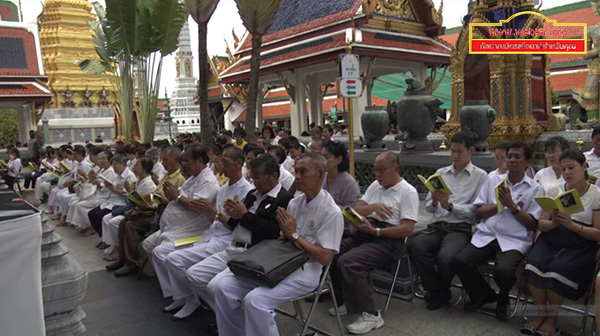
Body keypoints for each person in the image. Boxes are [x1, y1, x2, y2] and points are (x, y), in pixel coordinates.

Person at [208, 153, 343, 336]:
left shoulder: (331, 212)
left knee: (255, 301)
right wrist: (288, 236)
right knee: (220, 287)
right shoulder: (295, 203)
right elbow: (281, 239)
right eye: (296, 171)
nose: (297, 176)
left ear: (320, 174)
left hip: (307, 271)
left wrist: (294, 235)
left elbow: (326, 258)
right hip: (281, 261)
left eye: (303, 172)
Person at [184, 154, 292, 328]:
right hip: (233, 246)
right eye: (253, 177)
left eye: (259, 177)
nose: (255, 182)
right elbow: (238, 224)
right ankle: (230, 316)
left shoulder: (283, 199)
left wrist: (244, 215)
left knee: (217, 287)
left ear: (274, 176)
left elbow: (272, 232)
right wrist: (230, 215)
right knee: (195, 275)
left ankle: (233, 323)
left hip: (255, 253)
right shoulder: (252, 194)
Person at [156, 145, 253, 320]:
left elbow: (237, 226)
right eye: (220, 160)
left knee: (178, 261)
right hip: (208, 235)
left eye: (225, 161)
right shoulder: (223, 190)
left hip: (226, 241)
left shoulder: (246, 191)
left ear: (239, 163)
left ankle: (216, 310)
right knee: (170, 257)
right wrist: (211, 213)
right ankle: (189, 298)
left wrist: (212, 212)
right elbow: (212, 218)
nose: (220, 164)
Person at [329, 151, 419, 335]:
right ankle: (348, 300)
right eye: (375, 170)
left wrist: (376, 231)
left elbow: (407, 229)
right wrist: (373, 208)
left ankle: (371, 314)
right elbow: (356, 209)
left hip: (389, 240)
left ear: (395, 169)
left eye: (381, 171)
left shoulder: (407, 192)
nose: (377, 175)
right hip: (365, 232)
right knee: (332, 252)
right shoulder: (376, 186)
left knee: (349, 262)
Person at [453, 141, 544, 320]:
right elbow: (478, 211)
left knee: (504, 270)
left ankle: (503, 298)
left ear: (527, 161)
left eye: (517, 157)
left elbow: (534, 224)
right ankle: (483, 295)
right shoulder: (493, 180)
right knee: (460, 261)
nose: (511, 160)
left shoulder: (535, 188)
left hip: (514, 239)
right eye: (509, 156)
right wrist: (498, 206)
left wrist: (513, 206)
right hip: (487, 235)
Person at [522, 149, 600, 336]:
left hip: (581, 242)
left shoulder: (596, 194)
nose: (566, 173)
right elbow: (542, 222)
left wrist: (573, 225)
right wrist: (554, 222)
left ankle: (552, 318)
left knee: (558, 269)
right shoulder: (555, 190)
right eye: (563, 168)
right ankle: (541, 312)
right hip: (553, 236)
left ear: (584, 167)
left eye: (571, 168)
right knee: (533, 264)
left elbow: (598, 233)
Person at [408, 133, 488, 311]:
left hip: (460, 228)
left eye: (460, 151)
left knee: (446, 258)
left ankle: (439, 291)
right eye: (453, 151)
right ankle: (438, 290)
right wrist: (436, 200)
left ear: (471, 151)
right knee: (415, 245)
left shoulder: (481, 177)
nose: (455, 156)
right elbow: (428, 207)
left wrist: (450, 206)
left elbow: (476, 212)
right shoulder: (441, 173)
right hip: (438, 225)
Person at [105, 147, 186, 275]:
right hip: (153, 209)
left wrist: (141, 196)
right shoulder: (166, 176)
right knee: (123, 223)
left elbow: (172, 200)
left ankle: (132, 262)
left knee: (131, 225)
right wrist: (147, 198)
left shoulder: (180, 179)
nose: (163, 163)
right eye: (162, 160)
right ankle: (123, 258)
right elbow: (156, 195)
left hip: (160, 213)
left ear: (176, 160)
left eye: (166, 160)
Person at [145, 144, 220, 280]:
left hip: (192, 231)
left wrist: (176, 197)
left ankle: (183, 290)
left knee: (160, 251)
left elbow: (196, 205)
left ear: (199, 161)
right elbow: (177, 196)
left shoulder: (208, 181)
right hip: (175, 226)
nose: (184, 165)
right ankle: (168, 281)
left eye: (187, 161)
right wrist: (169, 196)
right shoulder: (192, 177)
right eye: (183, 161)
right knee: (148, 245)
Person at [102, 156, 156, 265]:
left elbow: (144, 201)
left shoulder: (148, 183)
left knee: (122, 223)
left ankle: (130, 259)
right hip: (135, 209)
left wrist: (130, 190)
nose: (134, 167)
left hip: (144, 212)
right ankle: (120, 253)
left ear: (145, 168)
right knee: (119, 222)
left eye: (137, 165)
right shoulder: (139, 180)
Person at [87, 154, 137, 243]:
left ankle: (107, 241)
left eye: (116, 164)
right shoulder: (117, 175)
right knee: (91, 214)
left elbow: (128, 194)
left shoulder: (130, 176)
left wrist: (113, 189)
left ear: (124, 164)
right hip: (110, 200)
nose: (114, 167)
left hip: (121, 203)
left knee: (100, 215)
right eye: (113, 164)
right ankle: (103, 237)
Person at [69, 150, 114, 236]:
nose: (101, 161)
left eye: (103, 159)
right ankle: (84, 225)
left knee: (80, 205)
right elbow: (92, 180)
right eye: (100, 158)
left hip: (103, 197)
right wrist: (91, 177)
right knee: (77, 202)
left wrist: (96, 181)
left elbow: (106, 187)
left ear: (110, 160)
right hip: (96, 193)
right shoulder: (102, 170)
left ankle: (91, 226)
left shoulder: (111, 171)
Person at [321, 140, 360, 209]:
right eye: (321, 157)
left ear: (338, 159)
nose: (322, 160)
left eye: (326, 157)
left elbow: (351, 211)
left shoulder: (349, 183)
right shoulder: (321, 177)